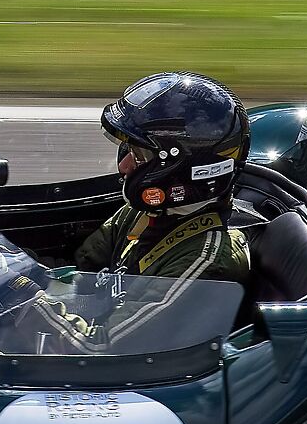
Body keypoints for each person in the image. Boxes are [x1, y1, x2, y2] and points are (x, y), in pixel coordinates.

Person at [74, 72, 253, 288]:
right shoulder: (141, 213)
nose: (124, 166)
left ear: (182, 169)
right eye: (130, 151)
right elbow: (81, 273)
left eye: (139, 156)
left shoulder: (205, 263)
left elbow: (128, 323)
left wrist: (29, 295)